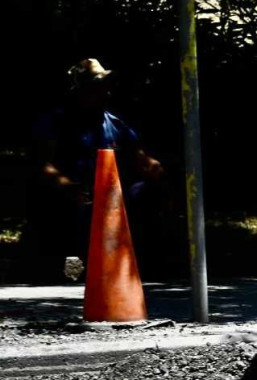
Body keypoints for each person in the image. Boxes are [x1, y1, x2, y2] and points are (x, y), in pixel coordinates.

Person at [24, 59, 166, 283]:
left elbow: (142, 159)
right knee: (66, 208)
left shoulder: (114, 123)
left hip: (112, 198)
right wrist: (67, 186)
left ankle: (148, 267)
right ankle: (69, 273)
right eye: (95, 87)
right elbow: (43, 164)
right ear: (79, 90)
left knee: (146, 193)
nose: (104, 92)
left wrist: (154, 168)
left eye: (104, 86)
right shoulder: (56, 121)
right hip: (73, 196)